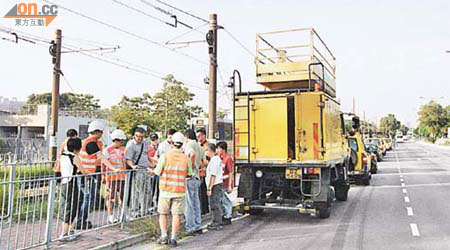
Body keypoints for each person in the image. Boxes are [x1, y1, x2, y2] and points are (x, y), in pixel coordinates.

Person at [148, 132, 193, 247]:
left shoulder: (165, 156)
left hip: (165, 190)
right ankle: (173, 238)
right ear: (182, 144)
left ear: (172, 143)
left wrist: (151, 171)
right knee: (176, 215)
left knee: (163, 213)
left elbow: (157, 172)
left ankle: (164, 236)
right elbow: (190, 174)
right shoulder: (186, 158)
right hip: (180, 191)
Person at [77, 120, 113, 230]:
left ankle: (81, 220)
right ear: (96, 132)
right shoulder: (91, 143)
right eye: (101, 132)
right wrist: (113, 168)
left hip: (85, 174)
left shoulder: (85, 142)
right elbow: (101, 157)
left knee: (84, 198)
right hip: (86, 175)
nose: (101, 135)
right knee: (88, 198)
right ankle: (81, 221)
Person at [60, 137, 87, 240]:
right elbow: (83, 171)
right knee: (71, 207)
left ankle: (70, 230)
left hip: (64, 182)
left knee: (65, 207)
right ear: (78, 148)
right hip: (72, 183)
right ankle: (65, 233)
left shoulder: (63, 156)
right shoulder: (74, 157)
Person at [125, 127, 152, 217]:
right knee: (137, 191)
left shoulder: (145, 144)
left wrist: (152, 163)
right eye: (138, 136)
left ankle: (144, 210)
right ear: (134, 135)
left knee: (147, 191)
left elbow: (147, 155)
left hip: (146, 169)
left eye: (141, 137)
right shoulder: (131, 145)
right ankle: (135, 211)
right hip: (137, 170)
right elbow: (128, 159)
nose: (139, 138)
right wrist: (133, 166)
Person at [102, 129, 127, 224]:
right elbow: (103, 164)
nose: (122, 143)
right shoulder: (107, 151)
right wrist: (104, 176)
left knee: (122, 197)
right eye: (121, 141)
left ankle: (122, 214)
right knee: (110, 198)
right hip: (111, 178)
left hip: (122, 177)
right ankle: (111, 215)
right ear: (116, 140)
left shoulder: (123, 150)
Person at [183, 129, 204, 236]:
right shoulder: (200, 146)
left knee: (189, 203)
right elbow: (204, 162)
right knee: (196, 202)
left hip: (189, 177)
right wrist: (197, 168)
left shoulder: (189, 144)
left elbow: (192, 154)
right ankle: (198, 225)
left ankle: (190, 227)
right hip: (197, 177)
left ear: (186, 137)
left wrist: (189, 168)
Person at [205, 143, 223, 230]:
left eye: (206, 151)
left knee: (214, 204)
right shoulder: (215, 160)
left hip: (215, 185)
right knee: (215, 203)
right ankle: (216, 221)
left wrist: (209, 188)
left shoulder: (215, 160)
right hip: (216, 184)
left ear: (209, 151)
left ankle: (217, 222)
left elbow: (213, 175)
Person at [217, 141, 234, 225]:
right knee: (221, 199)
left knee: (225, 200)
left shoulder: (228, 159)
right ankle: (225, 214)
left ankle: (228, 215)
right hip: (221, 182)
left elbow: (231, 172)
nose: (217, 150)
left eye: (219, 148)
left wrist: (230, 185)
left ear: (223, 149)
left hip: (226, 182)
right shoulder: (220, 158)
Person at [196, 128, 209, 215]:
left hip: (205, 172)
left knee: (203, 193)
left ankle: (204, 210)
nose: (198, 138)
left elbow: (207, 160)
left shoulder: (207, 146)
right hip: (199, 172)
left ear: (204, 135)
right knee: (200, 193)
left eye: (199, 136)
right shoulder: (198, 145)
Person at [148, 133, 160, 209]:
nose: (154, 141)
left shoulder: (160, 147)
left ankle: (158, 203)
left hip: (158, 169)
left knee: (159, 187)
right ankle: (151, 203)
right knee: (151, 188)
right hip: (151, 169)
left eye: (155, 139)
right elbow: (147, 158)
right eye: (152, 140)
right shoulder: (148, 148)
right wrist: (151, 164)